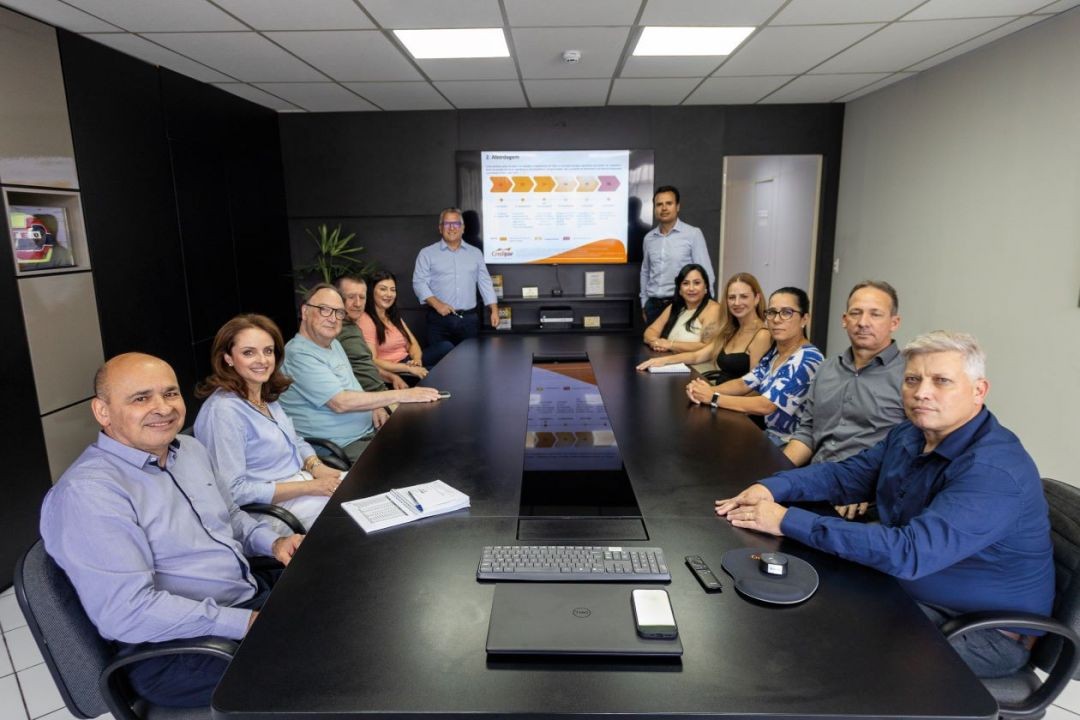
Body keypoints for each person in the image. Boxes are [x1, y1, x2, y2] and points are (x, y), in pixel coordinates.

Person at [715, 331, 1054, 679]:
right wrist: (771, 487)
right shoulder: (911, 434)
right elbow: (846, 476)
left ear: (979, 391)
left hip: (979, 630)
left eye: (941, 381)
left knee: (826, 653)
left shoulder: (993, 470)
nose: (922, 392)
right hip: (909, 592)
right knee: (794, 606)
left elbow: (908, 552)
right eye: (912, 380)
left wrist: (786, 520)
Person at [40, 353, 302, 707]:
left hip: (244, 598)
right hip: (179, 650)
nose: (163, 408)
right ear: (103, 412)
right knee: (328, 665)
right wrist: (246, 623)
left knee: (340, 605)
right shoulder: (89, 494)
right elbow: (129, 612)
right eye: (140, 398)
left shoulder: (190, 450)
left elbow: (229, 517)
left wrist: (275, 543)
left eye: (170, 393)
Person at [194, 314, 346, 531]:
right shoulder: (223, 411)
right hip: (269, 510)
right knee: (352, 517)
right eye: (249, 352)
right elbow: (233, 491)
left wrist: (317, 466)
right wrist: (310, 487)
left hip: (303, 484)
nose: (263, 360)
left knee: (366, 489)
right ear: (228, 358)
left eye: (268, 351)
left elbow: (295, 440)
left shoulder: (263, 394)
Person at [783, 280, 907, 519]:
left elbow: (909, 449)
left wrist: (861, 487)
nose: (863, 322)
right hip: (814, 482)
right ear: (844, 320)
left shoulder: (910, 377)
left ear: (894, 322)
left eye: (875, 314)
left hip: (863, 499)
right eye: (856, 313)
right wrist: (779, 474)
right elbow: (808, 431)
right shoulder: (827, 369)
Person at [278, 284, 441, 463]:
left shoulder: (334, 344)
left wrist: (373, 406)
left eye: (339, 312)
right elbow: (340, 402)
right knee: (413, 459)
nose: (333, 318)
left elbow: (352, 387)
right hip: (340, 446)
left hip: (368, 431)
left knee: (428, 436)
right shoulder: (299, 354)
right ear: (305, 311)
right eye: (324, 310)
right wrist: (404, 395)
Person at [686, 287, 822, 445]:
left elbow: (766, 405)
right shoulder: (776, 353)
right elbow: (744, 383)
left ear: (804, 319)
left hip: (789, 443)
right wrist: (706, 390)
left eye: (787, 312)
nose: (776, 319)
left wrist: (713, 397)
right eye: (772, 312)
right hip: (768, 434)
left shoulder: (808, 357)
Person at [637, 272, 771, 379]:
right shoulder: (730, 329)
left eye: (744, 297)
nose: (736, 303)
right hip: (718, 394)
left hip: (731, 400)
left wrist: (714, 394)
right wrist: (662, 361)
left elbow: (754, 386)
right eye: (731, 297)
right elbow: (697, 356)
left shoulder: (762, 335)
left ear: (757, 299)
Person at [412, 207, 499, 358]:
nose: (452, 228)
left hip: (469, 320)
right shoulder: (427, 253)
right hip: (438, 321)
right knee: (439, 364)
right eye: (447, 224)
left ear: (463, 228)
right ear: (440, 228)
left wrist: (494, 310)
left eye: (456, 224)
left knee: (469, 363)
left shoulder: (475, 253)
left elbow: (484, 282)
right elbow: (419, 282)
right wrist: (438, 304)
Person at [639, 185, 715, 326]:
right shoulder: (649, 238)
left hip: (681, 305)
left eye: (669, 203)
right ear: (654, 208)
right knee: (652, 340)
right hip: (653, 307)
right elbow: (645, 271)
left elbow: (706, 273)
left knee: (678, 341)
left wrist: (708, 306)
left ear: (677, 206)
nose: (664, 208)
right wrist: (644, 303)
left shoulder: (693, 234)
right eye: (659, 204)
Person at [361, 270, 453, 383]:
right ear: (371, 291)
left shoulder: (392, 316)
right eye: (383, 289)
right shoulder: (366, 320)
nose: (389, 294)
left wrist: (417, 360)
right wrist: (408, 368)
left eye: (392, 290)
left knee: (446, 346)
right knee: (443, 372)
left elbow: (413, 344)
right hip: (395, 370)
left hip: (408, 361)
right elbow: (373, 360)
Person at [334, 273, 409, 391]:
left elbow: (364, 364)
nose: (358, 304)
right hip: (369, 398)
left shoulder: (354, 327)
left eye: (362, 297)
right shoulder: (332, 330)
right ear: (337, 298)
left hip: (383, 392)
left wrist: (391, 377)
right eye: (351, 297)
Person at [642, 263, 723, 353]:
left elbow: (707, 346)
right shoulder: (675, 307)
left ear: (706, 287)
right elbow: (651, 330)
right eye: (685, 283)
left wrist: (669, 344)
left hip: (698, 362)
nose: (691, 288)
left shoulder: (713, 309)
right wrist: (656, 342)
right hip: (670, 359)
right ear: (680, 290)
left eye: (697, 283)